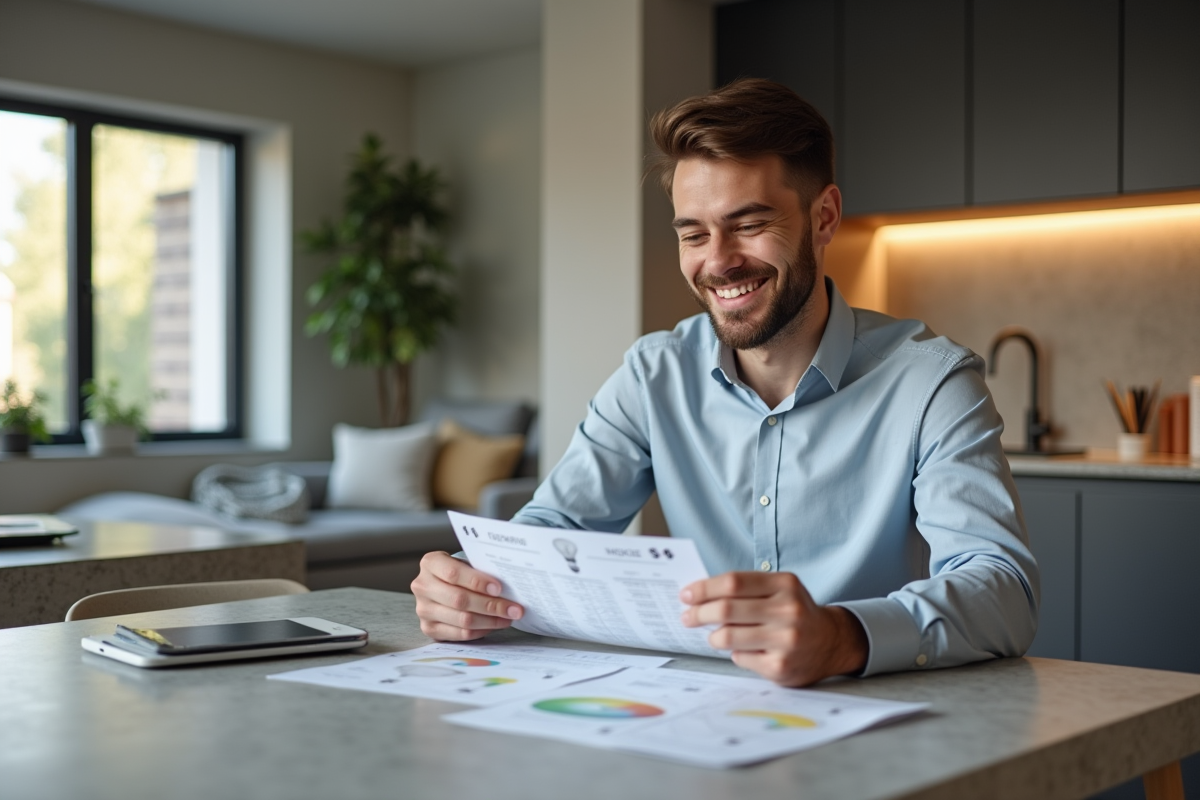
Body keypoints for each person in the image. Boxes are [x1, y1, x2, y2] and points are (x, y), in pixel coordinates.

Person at [411, 78, 1039, 687]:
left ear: (823, 218)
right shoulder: (653, 374)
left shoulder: (931, 382)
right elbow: (556, 528)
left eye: (748, 223)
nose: (717, 260)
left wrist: (841, 635)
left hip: (876, 720)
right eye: (693, 233)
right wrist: (469, 583)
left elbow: (1001, 588)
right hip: (694, 714)